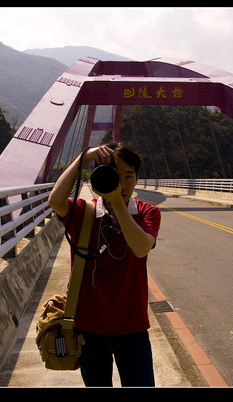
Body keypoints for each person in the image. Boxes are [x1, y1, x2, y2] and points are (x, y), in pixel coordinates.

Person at [48, 142, 161, 387]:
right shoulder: (82, 213)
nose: (122, 184)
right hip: (90, 328)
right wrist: (83, 158)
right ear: (98, 177)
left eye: (128, 176)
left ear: (137, 178)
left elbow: (141, 248)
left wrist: (117, 202)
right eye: (114, 176)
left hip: (132, 327)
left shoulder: (147, 212)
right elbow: (55, 200)